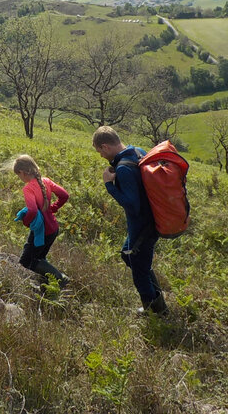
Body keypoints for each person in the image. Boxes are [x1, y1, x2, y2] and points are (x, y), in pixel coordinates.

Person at [92, 126, 167, 316]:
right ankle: (158, 302)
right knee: (128, 256)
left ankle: (154, 310)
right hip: (152, 220)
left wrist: (109, 185)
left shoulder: (124, 168)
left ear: (105, 146)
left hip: (142, 226)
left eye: (99, 151)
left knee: (139, 269)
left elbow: (132, 206)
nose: (100, 155)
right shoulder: (138, 151)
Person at [11, 154, 69, 287]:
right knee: (40, 257)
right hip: (53, 228)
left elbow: (31, 210)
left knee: (27, 261)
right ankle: (51, 282)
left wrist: (26, 222)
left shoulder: (28, 188)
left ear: (22, 172)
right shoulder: (46, 181)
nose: (19, 178)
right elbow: (64, 195)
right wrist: (53, 208)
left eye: (18, 175)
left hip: (42, 231)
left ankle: (60, 279)